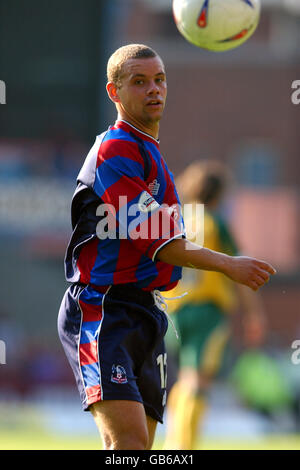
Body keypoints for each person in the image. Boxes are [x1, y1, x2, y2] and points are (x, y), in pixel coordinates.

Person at [57, 44, 276, 451]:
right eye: (139, 82)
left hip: (149, 312)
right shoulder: (115, 150)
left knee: (144, 449)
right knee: (129, 446)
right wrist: (230, 265)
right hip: (105, 308)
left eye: (159, 79)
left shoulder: (153, 155)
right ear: (114, 92)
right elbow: (162, 242)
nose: (154, 89)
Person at [163, 160, 268, 450]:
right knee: (198, 381)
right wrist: (254, 315)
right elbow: (240, 271)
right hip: (208, 311)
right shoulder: (216, 223)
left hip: (175, 312)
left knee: (184, 379)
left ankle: (174, 441)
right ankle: (184, 447)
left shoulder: (178, 218)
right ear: (218, 194)